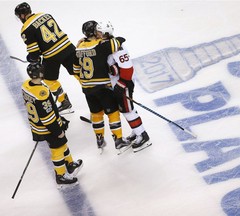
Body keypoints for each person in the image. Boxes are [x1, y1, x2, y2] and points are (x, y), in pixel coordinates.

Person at [22, 62, 83, 186]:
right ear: (40, 73)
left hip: (37, 124)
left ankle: (70, 164)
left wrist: (59, 119)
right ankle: (60, 175)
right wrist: (58, 130)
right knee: (57, 149)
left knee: (63, 143)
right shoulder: (41, 93)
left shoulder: (26, 85)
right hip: (47, 128)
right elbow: (47, 117)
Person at [73, 20, 130, 154]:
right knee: (113, 112)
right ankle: (118, 140)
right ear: (94, 32)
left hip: (87, 89)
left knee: (96, 113)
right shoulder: (101, 45)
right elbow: (120, 40)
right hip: (103, 86)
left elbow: (75, 70)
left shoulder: (79, 47)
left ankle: (99, 139)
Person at [96, 21, 152, 153]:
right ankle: (136, 131)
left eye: (99, 32)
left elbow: (127, 69)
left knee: (127, 110)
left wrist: (121, 85)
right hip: (117, 83)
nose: (96, 34)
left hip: (124, 84)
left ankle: (143, 136)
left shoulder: (118, 48)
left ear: (105, 33)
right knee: (126, 109)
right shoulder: (106, 44)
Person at [15, 2, 74, 114]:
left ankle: (65, 102)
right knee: (83, 74)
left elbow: (34, 53)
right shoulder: (45, 15)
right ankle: (102, 94)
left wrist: (32, 58)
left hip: (52, 55)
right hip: (68, 47)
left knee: (48, 79)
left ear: (22, 15)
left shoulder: (26, 28)